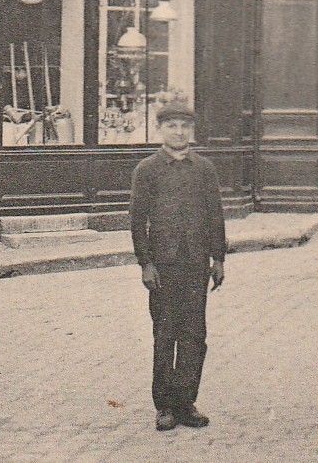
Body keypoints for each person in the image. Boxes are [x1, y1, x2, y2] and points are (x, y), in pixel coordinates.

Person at [129, 108, 226, 432]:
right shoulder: (148, 169)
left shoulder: (204, 169)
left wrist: (218, 258)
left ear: (192, 130)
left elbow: (215, 215)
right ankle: (165, 406)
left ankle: (186, 403)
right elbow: (137, 220)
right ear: (160, 129)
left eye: (185, 126)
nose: (179, 132)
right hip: (163, 265)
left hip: (196, 263)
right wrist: (146, 263)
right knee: (165, 334)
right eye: (172, 126)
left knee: (194, 335)